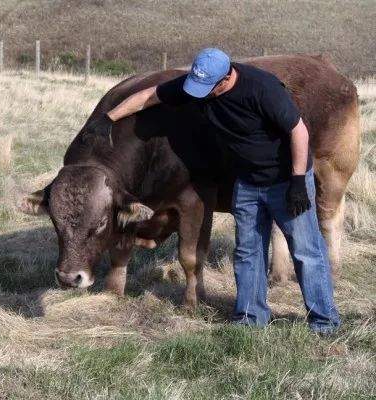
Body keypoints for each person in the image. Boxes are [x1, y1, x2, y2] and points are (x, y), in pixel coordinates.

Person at [85, 48, 340, 335]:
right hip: (247, 182)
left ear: (226, 78)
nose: (198, 94)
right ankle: (250, 318)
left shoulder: (262, 88)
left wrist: (296, 180)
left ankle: (324, 321)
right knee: (248, 251)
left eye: (206, 89)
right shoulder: (198, 86)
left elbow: (298, 131)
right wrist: (109, 117)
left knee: (306, 251)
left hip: (284, 179)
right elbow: (149, 96)